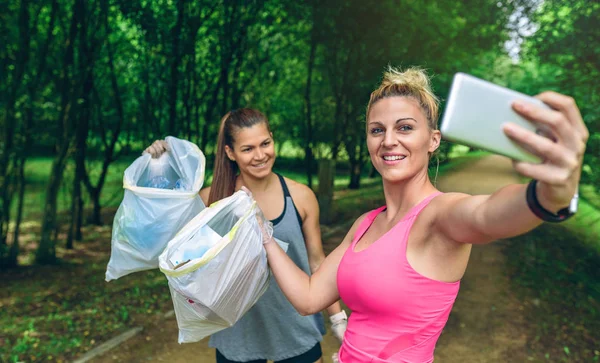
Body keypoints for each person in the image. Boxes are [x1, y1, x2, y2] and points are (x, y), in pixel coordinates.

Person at [256, 66, 588, 363]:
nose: (388, 141)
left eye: (404, 128)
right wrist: (264, 236)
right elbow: (310, 297)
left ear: (432, 141)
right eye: (376, 130)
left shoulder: (440, 215)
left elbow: (488, 215)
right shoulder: (366, 223)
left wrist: (551, 194)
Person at [145, 108, 347, 363]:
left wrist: (337, 318)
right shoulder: (212, 200)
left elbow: (317, 262)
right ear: (230, 152)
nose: (260, 155)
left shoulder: (300, 196)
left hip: (295, 327)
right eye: (248, 149)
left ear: (273, 139)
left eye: (265, 143)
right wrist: (157, 169)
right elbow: (163, 236)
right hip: (238, 333)